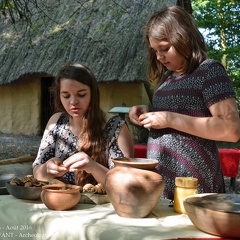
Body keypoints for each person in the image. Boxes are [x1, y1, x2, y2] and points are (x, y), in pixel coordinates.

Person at [129, 6, 240, 200]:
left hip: (194, 184)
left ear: (184, 38)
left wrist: (168, 118)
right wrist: (149, 111)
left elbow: (231, 130)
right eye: (155, 50)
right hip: (163, 181)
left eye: (164, 49)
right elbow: (177, 115)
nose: (158, 57)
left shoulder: (209, 70)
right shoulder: (168, 77)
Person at [33, 63, 134, 187]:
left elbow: (125, 182)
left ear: (93, 94)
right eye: (66, 96)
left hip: (102, 205)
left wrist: (93, 167)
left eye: (81, 94)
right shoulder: (56, 122)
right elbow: (36, 173)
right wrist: (47, 169)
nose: (73, 101)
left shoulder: (116, 127)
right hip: (62, 202)